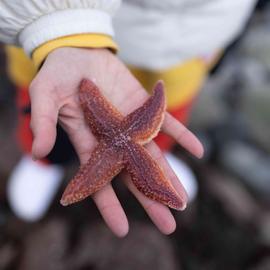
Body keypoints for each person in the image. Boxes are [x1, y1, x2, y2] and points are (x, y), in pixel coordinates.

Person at [0, 0, 256, 237]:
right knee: (53, 104)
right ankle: (44, 161)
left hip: (199, 35)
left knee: (167, 109)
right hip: (75, 25)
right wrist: (60, 25)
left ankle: (160, 155)